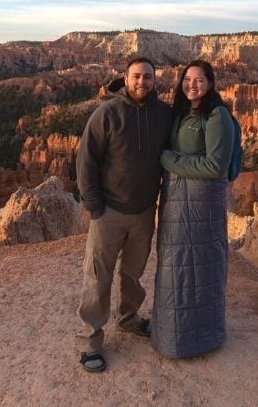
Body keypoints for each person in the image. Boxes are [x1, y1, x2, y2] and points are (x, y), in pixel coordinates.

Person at [75, 56, 173, 373]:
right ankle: (90, 342)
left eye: (147, 77)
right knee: (97, 277)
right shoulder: (107, 113)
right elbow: (86, 161)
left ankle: (129, 319)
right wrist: (95, 207)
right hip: (109, 213)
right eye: (136, 77)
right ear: (126, 79)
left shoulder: (164, 115)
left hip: (144, 212)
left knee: (132, 273)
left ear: (154, 80)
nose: (141, 82)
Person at [151, 59, 235, 359]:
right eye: (187, 79)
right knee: (175, 267)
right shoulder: (182, 111)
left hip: (203, 204)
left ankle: (203, 337)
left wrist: (168, 160)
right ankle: (171, 335)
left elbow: (215, 166)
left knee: (202, 265)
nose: (193, 85)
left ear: (210, 84)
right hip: (176, 203)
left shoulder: (217, 115)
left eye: (199, 80)